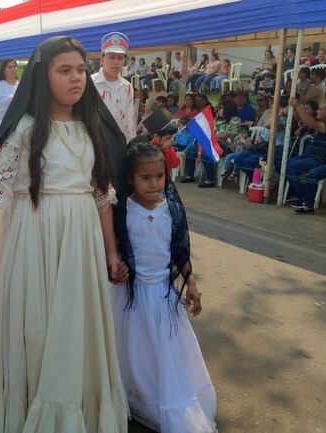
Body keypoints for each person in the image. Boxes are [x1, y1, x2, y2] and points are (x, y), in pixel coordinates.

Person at [0, 36, 129, 433]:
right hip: (35, 238)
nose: (76, 78)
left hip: (81, 243)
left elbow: (101, 195)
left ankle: (71, 405)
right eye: (64, 70)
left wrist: (112, 253)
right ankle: (31, 405)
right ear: (41, 77)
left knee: (73, 325)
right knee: (38, 325)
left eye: (81, 70)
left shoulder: (90, 126)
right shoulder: (23, 129)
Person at [111, 141, 215, 433]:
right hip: (128, 297)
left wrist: (191, 283)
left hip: (162, 297)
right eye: (146, 177)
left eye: (159, 176)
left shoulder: (172, 210)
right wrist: (117, 264)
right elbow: (115, 247)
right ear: (131, 177)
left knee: (165, 355)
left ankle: (162, 401)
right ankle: (134, 397)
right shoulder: (121, 210)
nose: (154, 183)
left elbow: (180, 250)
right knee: (131, 351)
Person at [92, 32, 136, 142]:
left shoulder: (127, 87)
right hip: (96, 144)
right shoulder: (90, 83)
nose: (116, 62)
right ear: (102, 59)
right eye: (112, 57)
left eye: (120, 58)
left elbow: (129, 122)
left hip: (119, 145)